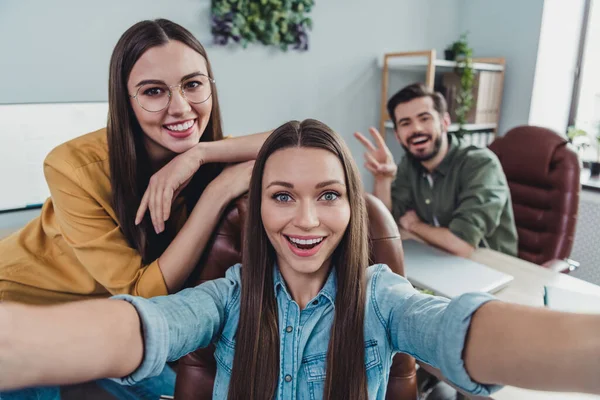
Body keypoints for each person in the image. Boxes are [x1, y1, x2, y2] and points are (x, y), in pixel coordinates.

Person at [2, 119, 600, 400]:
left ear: (352, 208)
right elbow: (136, 326)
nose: (306, 220)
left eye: (329, 196)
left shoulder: (381, 298)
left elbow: (462, 331)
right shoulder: (225, 297)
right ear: (259, 209)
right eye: (282, 196)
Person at [0, 19, 270, 399]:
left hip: (115, 323)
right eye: (153, 91)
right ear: (125, 100)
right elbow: (139, 291)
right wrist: (216, 195)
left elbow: (319, 144)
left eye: (193, 84)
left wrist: (202, 154)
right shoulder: (71, 166)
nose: (180, 108)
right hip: (25, 310)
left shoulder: (208, 156)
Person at [354, 83, 518, 258]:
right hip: (434, 254)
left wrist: (415, 226)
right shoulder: (410, 163)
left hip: (489, 266)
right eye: (406, 123)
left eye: (424, 118)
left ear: (444, 122)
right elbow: (385, 225)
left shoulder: (481, 164)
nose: (416, 129)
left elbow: (462, 245)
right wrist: (383, 179)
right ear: (397, 135)